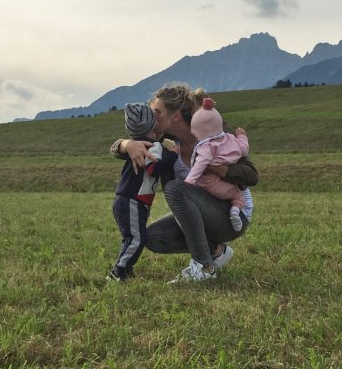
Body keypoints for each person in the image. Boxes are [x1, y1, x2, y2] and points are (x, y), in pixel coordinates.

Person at [110, 84, 257, 283]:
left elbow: (251, 175)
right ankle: (216, 252)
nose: (153, 119)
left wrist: (218, 168)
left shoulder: (211, 132)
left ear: (176, 116)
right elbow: (116, 150)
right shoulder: (166, 144)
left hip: (233, 213)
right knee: (153, 237)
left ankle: (204, 267)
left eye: (158, 113)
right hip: (198, 212)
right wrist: (126, 144)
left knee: (176, 188)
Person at [109, 102, 177, 281]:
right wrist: (173, 155)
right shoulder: (153, 146)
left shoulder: (139, 145)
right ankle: (119, 271)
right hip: (132, 200)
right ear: (153, 124)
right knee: (136, 239)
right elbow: (153, 169)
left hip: (128, 200)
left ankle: (125, 268)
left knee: (132, 238)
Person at [185, 97, 249, 232]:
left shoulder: (207, 146)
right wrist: (242, 137)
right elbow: (243, 150)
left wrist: (190, 179)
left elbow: (201, 163)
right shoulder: (230, 139)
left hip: (208, 183)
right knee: (238, 196)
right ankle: (235, 210)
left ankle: (230, 213)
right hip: (222, 182)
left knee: (235, 195)